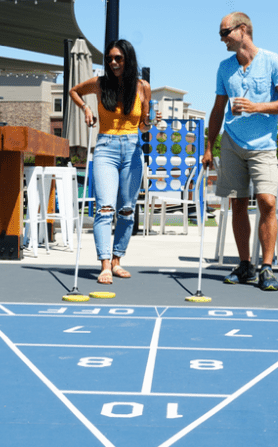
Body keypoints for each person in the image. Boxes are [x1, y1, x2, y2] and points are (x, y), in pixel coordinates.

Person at [202, 12, 278, 291]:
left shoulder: (273, 61)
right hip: (231, 144)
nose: (222, 39)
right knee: (238, 204)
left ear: (242, 30)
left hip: (264, 146)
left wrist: (257, 107)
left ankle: (266, 267)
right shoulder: (224, 67)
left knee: (267, 202)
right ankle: (246, 265)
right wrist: (209, 146)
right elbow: (218, 109)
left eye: (225, 33)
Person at [70, 39, 161, 285]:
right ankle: (104, 264)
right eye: (110, 58)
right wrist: (86, 110)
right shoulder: (100, 84)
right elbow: (74, 91)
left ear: (128, 60)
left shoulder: (143, 87)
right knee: (105, 208)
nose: (113, 62)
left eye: (118, 58)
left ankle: (118, 260)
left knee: (127, 210)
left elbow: (143, 126)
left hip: (132, 148)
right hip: (105, 149)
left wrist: (151, 120)